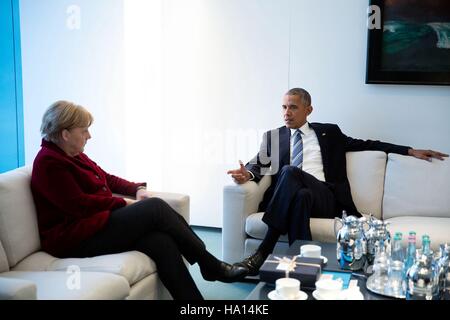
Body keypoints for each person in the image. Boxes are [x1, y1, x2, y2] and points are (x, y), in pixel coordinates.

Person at [31, 100, 248, 300]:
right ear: (65, 133)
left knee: (161, 242)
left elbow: (107, 178)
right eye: (84, 130)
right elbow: (78, 204)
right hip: (74, 239)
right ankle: (210, 265)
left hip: (95, 226)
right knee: (154, 208)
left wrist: (137, 189)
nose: (89, 136)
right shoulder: (49, 162)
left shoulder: (72, 153)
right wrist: (122, 203)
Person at [227, 88, 448, 276]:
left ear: (308, 110)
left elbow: (368, 143)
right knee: (300, 195)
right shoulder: (273, 137)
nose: (286, 113)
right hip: (301, 197)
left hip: (326, 197)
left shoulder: (328, 132)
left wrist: (409, 150)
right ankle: (304, 268)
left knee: (289, 171)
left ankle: (262, 253)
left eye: (293, 107)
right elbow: (257, 164)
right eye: (284, 107)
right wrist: (247, 174)